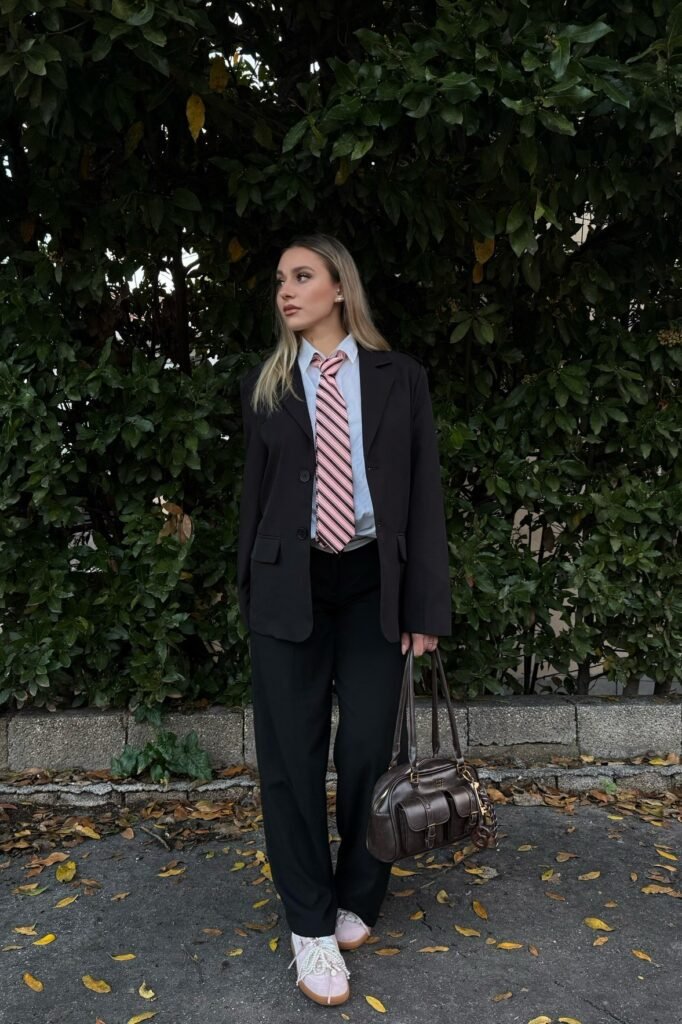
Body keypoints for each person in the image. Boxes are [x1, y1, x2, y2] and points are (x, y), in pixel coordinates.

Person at [237, 233, 451, 1006]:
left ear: (339, 289)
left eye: (302, 276)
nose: (286, 291)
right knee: (291, 760)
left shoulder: (401, 379)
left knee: (369, 744)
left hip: (371, 583)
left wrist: (424, 607)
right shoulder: (269, 383)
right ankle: (309, 924)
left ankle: (357, 893)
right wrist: (251, 593)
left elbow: (422, 495)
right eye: (280, 279)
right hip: (288, 585)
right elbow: (254, 499)